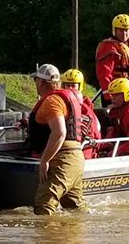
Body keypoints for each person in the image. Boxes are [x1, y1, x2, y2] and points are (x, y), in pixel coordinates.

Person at [27, 64, 86, 215]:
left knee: (43, 206)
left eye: (36, 80)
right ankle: (74, 238)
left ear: (40, 82)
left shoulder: (51, 102)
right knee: (74, 209)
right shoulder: (63, 99)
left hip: (62, 159)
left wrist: (44, 161)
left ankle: (48, 238)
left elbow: (59, 132)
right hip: (76, 157)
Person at [95, 14, 129, 107]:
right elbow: (103, 75)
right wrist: (109, 98)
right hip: (116, 94)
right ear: (115, 30)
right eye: (121, 30)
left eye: (127, 30)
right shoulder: (108, 47)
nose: (124, 33)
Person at [61, 68, 102, 159]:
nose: (70, 89)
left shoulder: (85, 109)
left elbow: (95, 134)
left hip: (82, 151)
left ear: (80, 87)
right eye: (68, 85)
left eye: (73, 86)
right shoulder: (60, 103)